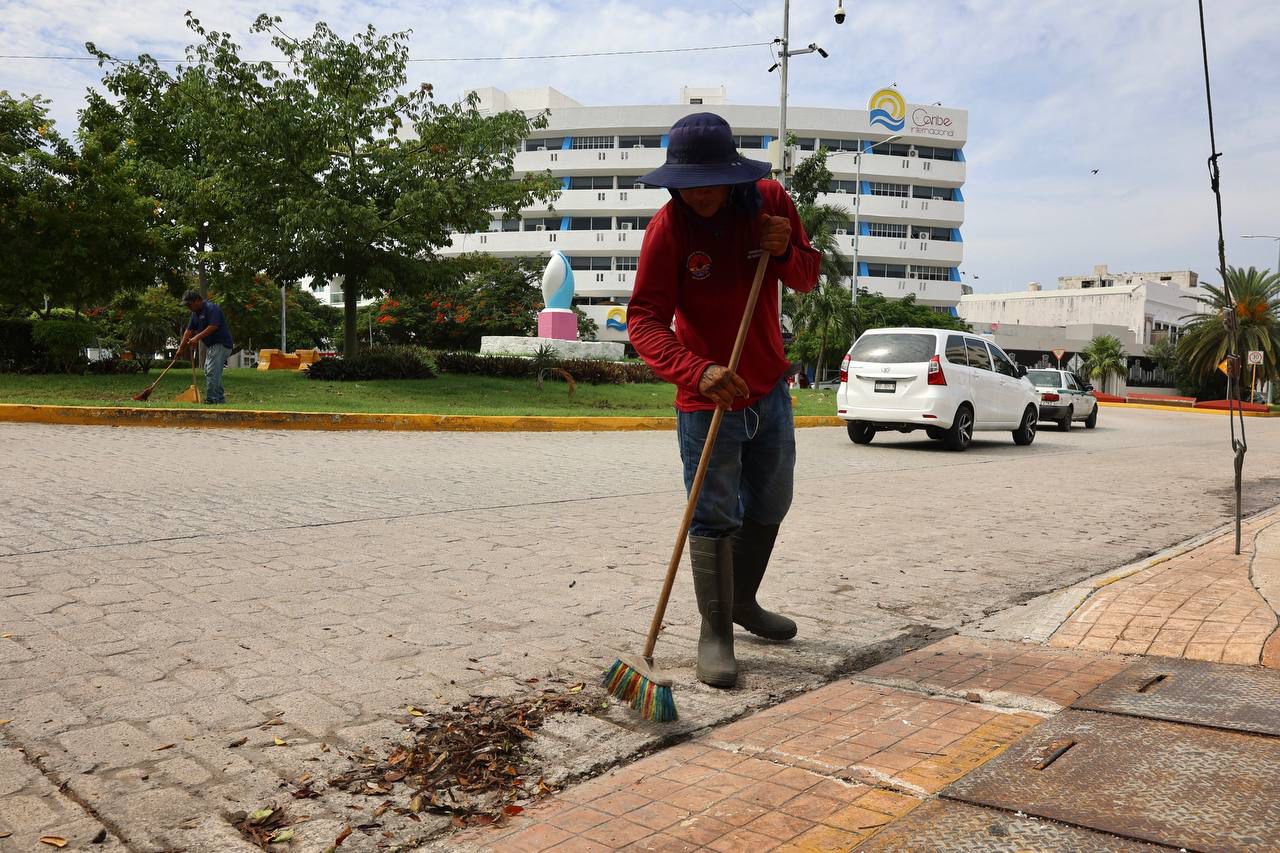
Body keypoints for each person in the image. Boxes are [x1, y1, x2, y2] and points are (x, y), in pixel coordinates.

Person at [628, 113, 820, 688]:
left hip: (768, 388)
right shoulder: (668, 230)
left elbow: (807, 277)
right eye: (689, 185)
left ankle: (742, 601)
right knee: (713, 513)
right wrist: (698, 370)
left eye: (711, 181)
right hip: (705, 397)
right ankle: (715, 633)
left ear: (733, 173)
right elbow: (644, 320)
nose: (701, 194)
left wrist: (784, 251)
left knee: (772, 500)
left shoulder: (769, 201)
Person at [177, 290, 233, 404]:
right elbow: (188, 331)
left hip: (221, 344)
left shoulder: (212, 308)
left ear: (197, 300)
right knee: (210, 371)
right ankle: (219, 398)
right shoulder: (195, 314)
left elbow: (213, 326)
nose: (188, 307)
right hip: (212, 346)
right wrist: (181, 348)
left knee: (212, 371)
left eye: (189, 304)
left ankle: (212, 399)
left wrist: (196, 338)